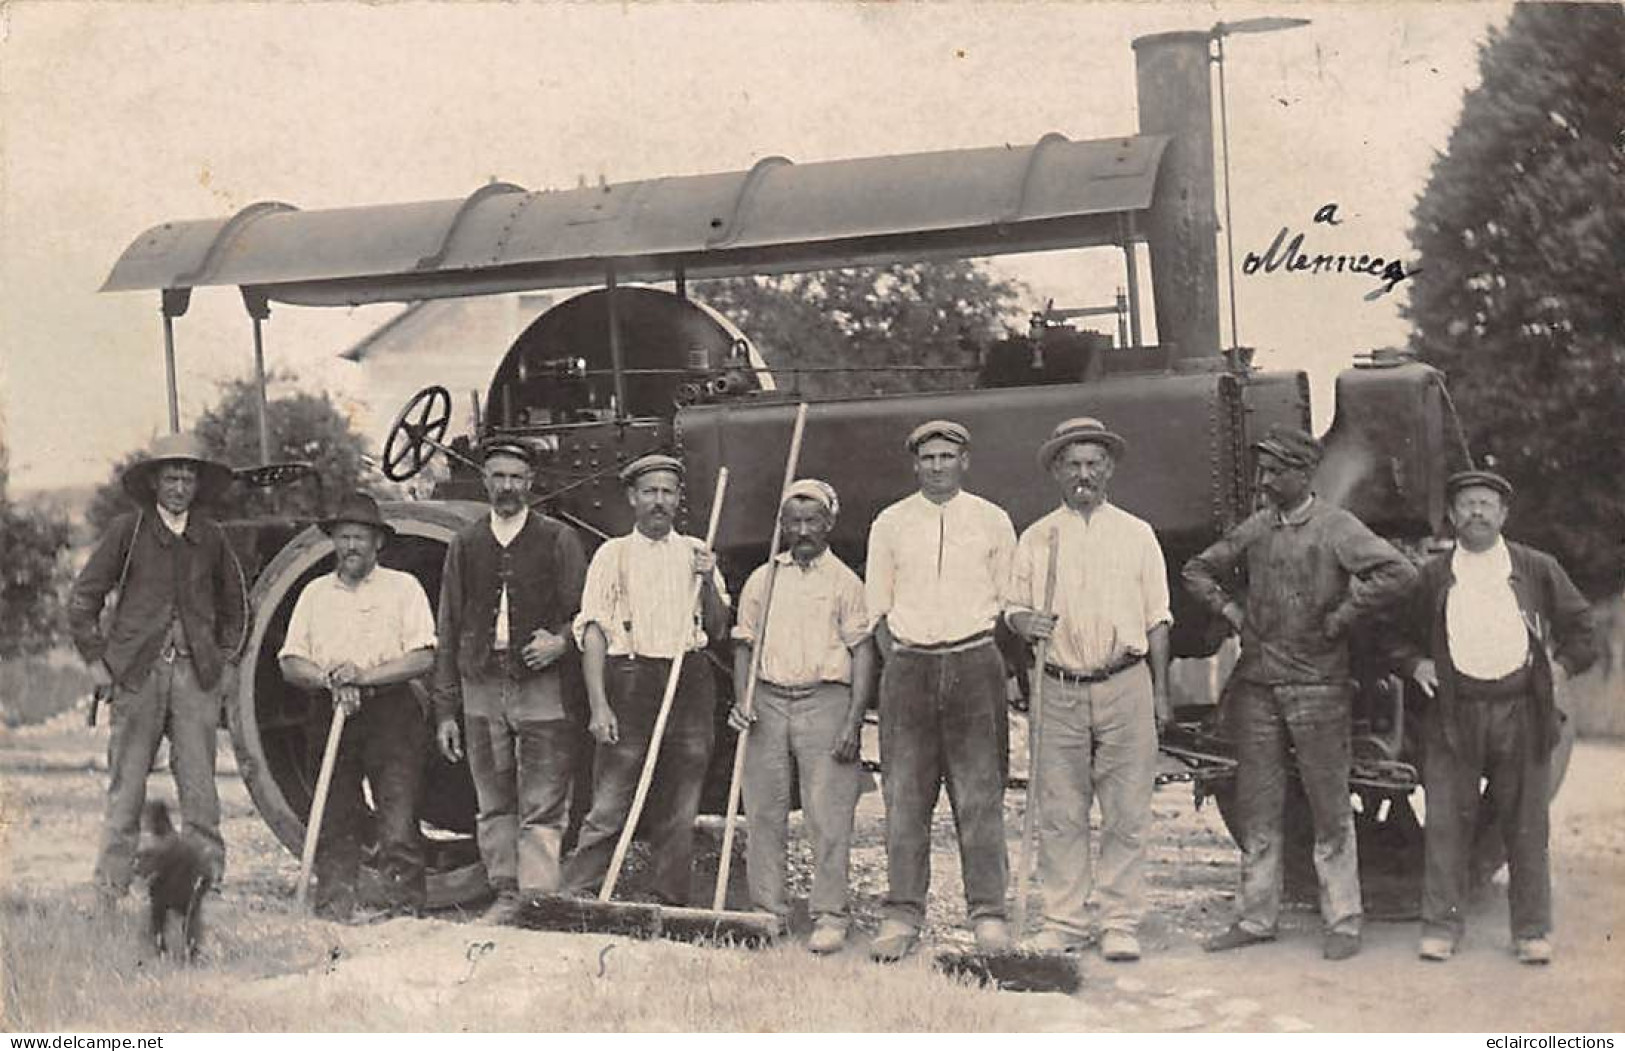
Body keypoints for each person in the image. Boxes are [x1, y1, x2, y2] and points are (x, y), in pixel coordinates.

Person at [1183, 424, 1415, 961]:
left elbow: (1396, 572)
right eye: (1262, 470)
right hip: (1258, 686)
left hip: (1319, 687)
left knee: (1329, 806)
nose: (1263, 481)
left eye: (1274, 471)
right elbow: (1198, 570)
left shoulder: (1337, 527)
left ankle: (1344, 919)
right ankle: (1257, 917)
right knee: (1258, 804)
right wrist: (1232, 611)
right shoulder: (1257, 529)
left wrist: (1343, 616)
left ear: (1303, 474)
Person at [1391, 469, 1596, 965]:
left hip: (1521, 711)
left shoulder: (1535, 568)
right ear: (1452, 515)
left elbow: (1583, 629)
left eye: (1486, 503)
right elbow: (1391, 634)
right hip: (1453, 715)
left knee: (1526, 826)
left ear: (1504, 515)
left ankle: (1531, 932)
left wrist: (1562, 668)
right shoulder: (1432, 575)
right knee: (1445, 825)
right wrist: (1413, 663)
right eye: (1467, 504)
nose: (1476, 512)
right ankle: (1440, 928)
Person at [1005, 418, 1171, 963]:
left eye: (1093, 464)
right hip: (1058, 685)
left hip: (1125, 682)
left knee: (1126, 810)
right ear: (1057, 471)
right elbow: (1012, 607)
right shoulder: (1037, 537)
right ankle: (1064, 920)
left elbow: (1157, 620)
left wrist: (1162, 692)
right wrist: (1024, 622)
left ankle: (1120, 921)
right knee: (1061, 810)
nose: (1084, 474)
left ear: (1109, 469)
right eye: (1072, 465)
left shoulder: (1137, 534)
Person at [69, 433, 247, 907]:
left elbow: (237, 607)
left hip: (196, 678)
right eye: (171, 476)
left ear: (198, 484)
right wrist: (97, 661)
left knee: (200, 788)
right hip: (136, 676)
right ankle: (110, 888)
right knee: (127, 785)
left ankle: (206, 884)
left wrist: (226, 662)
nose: (180, 485)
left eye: (188, 476)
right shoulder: (127, 533)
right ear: (153, 482)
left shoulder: (211, 536)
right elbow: (84, 599)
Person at [864, 420, 1017, 962]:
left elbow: (1008, 601)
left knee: (979, 795)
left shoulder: (992, 521)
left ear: (964, 461)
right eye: (927, 458)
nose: (936, 466)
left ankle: (989, 915)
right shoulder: (891, 523)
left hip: (975, 661)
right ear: (915, 464)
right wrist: (902, 660)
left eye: (946, 456)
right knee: (905, 797)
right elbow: (876, 609)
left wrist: (974, 652)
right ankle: (903, 914)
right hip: (909, 667)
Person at [561, 454, 730, 905]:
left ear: (678, 499)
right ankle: (578, 891)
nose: (659, 501)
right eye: (650, 492)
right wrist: (599, 705)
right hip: (630, 677)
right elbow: (593, 631)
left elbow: (717, 629)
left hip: (688, 677)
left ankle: (667, 898)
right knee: (612, 795)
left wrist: (709, 580)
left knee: (682, 796)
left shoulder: (698, 552)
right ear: (633, 498)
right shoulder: (612, 555)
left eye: (668, 492)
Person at [432, 440, 588, 922]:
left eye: (516, 478)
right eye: (497, 477)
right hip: (481, 684)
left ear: (531, 483)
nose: (506, 487)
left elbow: (585, 616)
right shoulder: (466, 543)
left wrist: (561, 642)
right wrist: (445, 709)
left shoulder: (558, 539)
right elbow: (448, 626)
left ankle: (537, 898)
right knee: (493, 798)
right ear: (484, 481)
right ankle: (505, 893)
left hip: (542, 685)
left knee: (543, 797)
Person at [728, 479, 874, 954]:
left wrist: (854, 718)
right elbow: (744, 644)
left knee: (827, 815)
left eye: (813, 521)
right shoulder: (762, 579)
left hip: (825, 700)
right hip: (767, 700)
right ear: (783, 526)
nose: (804, 530)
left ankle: (830, 914)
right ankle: (767, 910)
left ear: (829, 524)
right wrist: (742, 699)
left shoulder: (846, 583)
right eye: (795, 521)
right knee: (765, 810)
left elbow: (863, 652)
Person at [279, 493, 437, 921]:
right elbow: (291, 661)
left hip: (392, 713)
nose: (351, 546)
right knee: (334, 816)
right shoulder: (314, 594)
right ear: (334, 542)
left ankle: (405, 912)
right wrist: (328, 679)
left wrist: (363, 677)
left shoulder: (403, 589)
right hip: (329, 712)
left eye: (360, 538)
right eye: (344, 537)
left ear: (378, 544)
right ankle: (334, 909)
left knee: (398, 818)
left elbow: (423, 656)